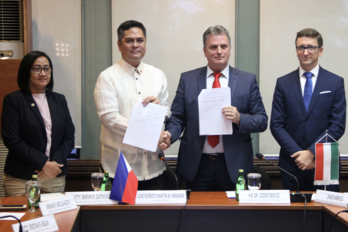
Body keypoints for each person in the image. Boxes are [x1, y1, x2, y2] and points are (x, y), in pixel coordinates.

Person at [160, 25, 268, 191]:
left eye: (223, 46)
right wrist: (169, 134)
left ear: (229, 49)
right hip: (197, 165)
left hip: (234, 165)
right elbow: (178, 118)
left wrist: (240, 118)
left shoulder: (247, 80)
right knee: (197, 216)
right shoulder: (188, 80)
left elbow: (261, 120)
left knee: (234, 216)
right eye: (213, 47)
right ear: (204, 51)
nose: (219, 51)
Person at [94, 20, 171, 190]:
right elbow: (110, 119)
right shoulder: (107, 77)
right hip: (120, 169)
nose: (135, 45)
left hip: (154, 168)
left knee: (155, 217)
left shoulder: (158, 75)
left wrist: (161, 112)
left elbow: (166, 111)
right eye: (129, 41)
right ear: (119, 45)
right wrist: (149, 132)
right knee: (122, 217)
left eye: (140, 40)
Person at [270, 28, 346, 191]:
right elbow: (276, 125)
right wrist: (300, 155)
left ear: (320, 51)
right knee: (292, 216)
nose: (306, 52)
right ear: (296, 51)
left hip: (325, 163)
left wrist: (311, 152)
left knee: (327, 215)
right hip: (291, 164)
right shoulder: (283, 83)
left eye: (311, 47)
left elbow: (337, 126)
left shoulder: (335, 82)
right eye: (301, 47)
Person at [1, 51, 75, 196]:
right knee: (23, 219)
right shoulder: (14, 100)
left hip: (54, 176)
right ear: (26, 72)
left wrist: (54, 164)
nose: (43, 73)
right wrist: (43, 163)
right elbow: (12, 140)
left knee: (55, 218)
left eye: (46, 69)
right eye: (36, 69)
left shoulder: (59, 100)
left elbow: (69, 137)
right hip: (22, 178)